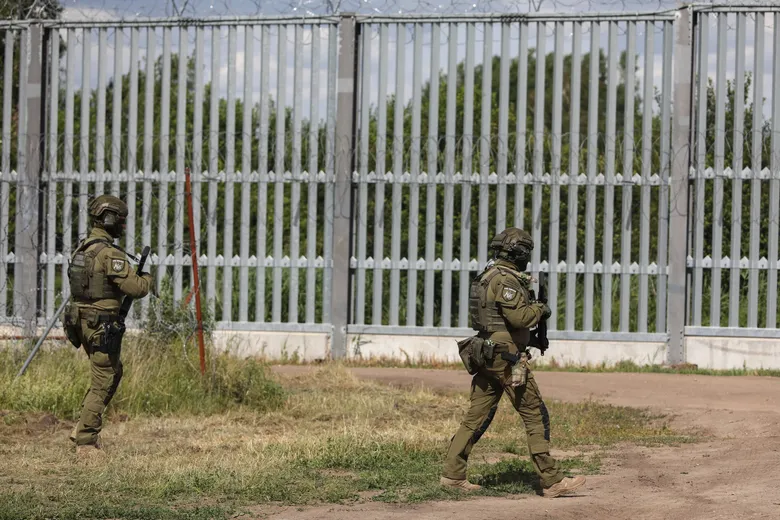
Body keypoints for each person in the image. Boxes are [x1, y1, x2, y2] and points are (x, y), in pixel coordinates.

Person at [441, 227, 586, 498]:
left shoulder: (488, 274)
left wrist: (531, 339)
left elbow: (499, 321)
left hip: (487, 353)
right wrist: (541, 308)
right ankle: (552, 480)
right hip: (505, 359)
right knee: (534, 413)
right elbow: (520, 318)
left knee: (476, 417)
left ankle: (453, 474)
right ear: (519, 253)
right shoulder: (506, 280)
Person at [63, 195, 154, 456]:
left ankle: (82, 427)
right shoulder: (109, 253)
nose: (123, 226)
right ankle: (86, 442)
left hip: (81, 321)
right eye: (121, 221)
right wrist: (147, 277)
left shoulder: (83, 248)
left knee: (110, 372)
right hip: (100, 324)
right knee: (105, 378)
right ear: (108, 218)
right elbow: (136, 288)